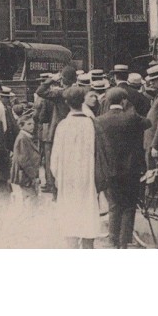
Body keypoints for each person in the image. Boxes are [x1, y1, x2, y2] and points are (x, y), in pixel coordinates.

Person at [50, 85, 111, 248]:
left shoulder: (62, 126)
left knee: (70, 218)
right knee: (88, 214)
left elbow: (54, 160)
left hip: (67, 179)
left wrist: (58, 178)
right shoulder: (92, 124)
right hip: (88, 179)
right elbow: (102, 153)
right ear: (83, 100)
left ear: (66, 102)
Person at [94, 87, 150, 248]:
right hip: (130, 170)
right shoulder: (131, 118)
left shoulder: (99, 120)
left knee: (114, 205)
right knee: (129, 206)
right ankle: (124, 241)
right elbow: (148, 122)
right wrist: (130, 108)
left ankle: (113, 239)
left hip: (110, 170)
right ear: (124, 101)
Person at [35, 65, 78, 193]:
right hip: (75, 128)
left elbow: (40, 91)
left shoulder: (59, 93)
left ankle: (55, 189)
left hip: (58, 129)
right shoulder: (78, 92)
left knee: (56, 159)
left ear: (62, 79)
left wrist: (52, 79)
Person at [10, 105, 42, 211]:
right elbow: (24, 160)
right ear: (21, 126)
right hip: (25, 175)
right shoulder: (23, 139)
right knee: (31, 199)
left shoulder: (26, 137)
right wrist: (33, 176)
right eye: (29, 124)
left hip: (26, 175)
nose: (32, 126)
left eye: (32, 123)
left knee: (29, 199)